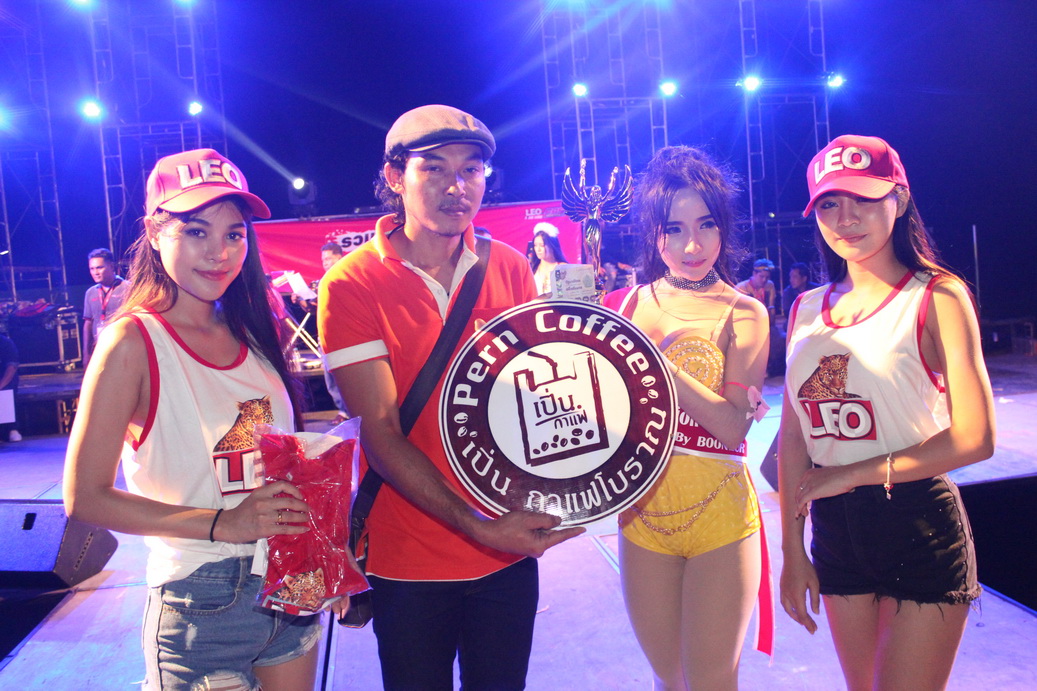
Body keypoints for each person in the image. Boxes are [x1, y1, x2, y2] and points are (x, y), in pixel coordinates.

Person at [318, 104, 584, 690]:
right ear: (395, 177)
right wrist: (477, 525)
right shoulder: (352, 283)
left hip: (508, 545)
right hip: (408, 554)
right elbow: (380, 433)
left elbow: (531, 404)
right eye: (434, 168)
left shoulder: (509, 267)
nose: (456, 186)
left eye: (471, 169)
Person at [63, 149, 328, 690]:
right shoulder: (132, 342)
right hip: (200, 600)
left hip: (289, 585)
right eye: (196, 231)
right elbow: (85, 497)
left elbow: (276, 464)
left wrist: (324, 541)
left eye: (234, 234)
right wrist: (221, 523)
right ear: (154, 232)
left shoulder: (255, 331)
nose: (219, 253)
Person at [779, 135, 995, 690]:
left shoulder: (937, 296)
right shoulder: (806, 308)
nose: (846, 218)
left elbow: (975, 437)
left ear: (898, 200)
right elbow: (794, 438)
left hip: (917, 524)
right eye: (829, 203)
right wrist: (792, 552)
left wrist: (851, 473)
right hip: (834, 533)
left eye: (864, 198)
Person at [602, 145, 769, 690]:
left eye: (705, 225)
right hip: (642, 518)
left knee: (711, 681)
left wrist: (656, 364)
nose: (691, 246)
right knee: (668, 680)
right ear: (653, 234)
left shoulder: (745, 312)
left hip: (720, 515)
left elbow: (733, 425)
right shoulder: (624, 307)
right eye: (673, 229)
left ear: (724, 227)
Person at [82, 247, 131, 368]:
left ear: (111, 266)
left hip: (123, 347)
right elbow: (88, 323)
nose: (95, 272)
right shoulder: (91, 293)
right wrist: (86, 353)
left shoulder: (128, 288)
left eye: (99, 267)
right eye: (92, 269)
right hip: (99, 349)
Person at [529, 221, 569, 295]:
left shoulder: (563, 267)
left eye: (542, 245)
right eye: (535, 245)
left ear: (551, 245)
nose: (538, 249)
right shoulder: (532, 268)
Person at [0, 333, 20, 442]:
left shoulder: (5, 343)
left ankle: (12, 429)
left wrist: (1, 386)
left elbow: (11, 369)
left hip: (3, 379)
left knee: (7, 389)